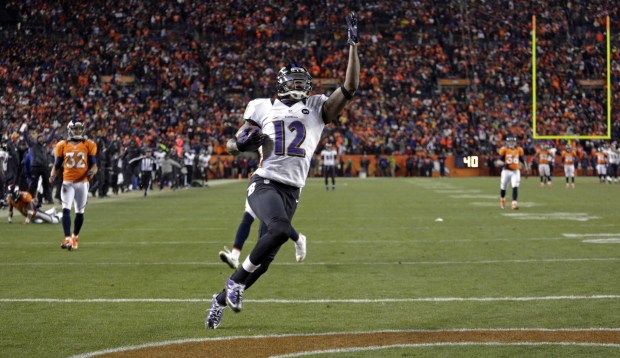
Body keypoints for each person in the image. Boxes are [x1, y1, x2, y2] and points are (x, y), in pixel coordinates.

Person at [206, 11, 360, 330]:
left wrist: (353, 45)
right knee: (277, 230)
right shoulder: (262, 106)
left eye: (303, 83)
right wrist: (243, 143)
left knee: (262, 265)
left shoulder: (317, 107)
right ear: (281, 84)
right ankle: (234, 284)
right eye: (294, 83)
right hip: (264, 184)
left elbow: (349, 87)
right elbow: (232, 145)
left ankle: (220, 299)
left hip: (292, 192)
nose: (301, 87)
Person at [49, 120, 98, 251]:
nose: (78, 131)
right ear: (70, 130)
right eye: (75, 129)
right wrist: (52, 175)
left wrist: (92, 171)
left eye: (79, 128)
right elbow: (57, 165)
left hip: (82, 183)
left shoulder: (89, 144)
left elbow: (94, 165)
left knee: (79, 212)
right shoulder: (62, 145)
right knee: (65, 209)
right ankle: (67, 238)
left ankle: (75, 237)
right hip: (67, 182)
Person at [218, 199, 306, 269]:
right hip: (257, 183)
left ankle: (299, 240)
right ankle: (234, 256)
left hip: (272, 186)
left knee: (277, 222)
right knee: (247, 217)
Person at [497, 136, 529, 210]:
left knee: (515, 186)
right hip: (506, 171)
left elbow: (523, 160)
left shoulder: (519, 150)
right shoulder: (504, 150)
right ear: (507, 142)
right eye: (510, 142)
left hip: (515, 171)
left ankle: (514, 203)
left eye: (513, 142)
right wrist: (504, 164)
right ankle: (502, 199)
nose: (511, 143)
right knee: (503, 187)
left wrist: (526, 169)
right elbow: (498, 161)